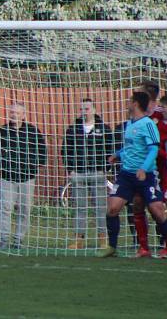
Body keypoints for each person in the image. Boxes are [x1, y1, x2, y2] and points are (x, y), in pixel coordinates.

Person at [99, 92, 167, 258]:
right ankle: (113, 247)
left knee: (157, 211)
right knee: (113, 208)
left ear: (136, 104)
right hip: (126, 175)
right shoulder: (129, 124)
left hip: (146, 175)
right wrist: (118, 154)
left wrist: (144, 169)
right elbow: (132, 148)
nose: (127, 103)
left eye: (130, 101)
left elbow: (153, 149)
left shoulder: (148, 124)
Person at [0, 102, 46, 250]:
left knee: (25, 209)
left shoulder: (33, 132)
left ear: (24, 115)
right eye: (12, 112)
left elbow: (42, 154)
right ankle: (4, 240)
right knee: (5, 208)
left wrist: (31, 166)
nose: (14, 115)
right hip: (7, 178)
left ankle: (19, 239)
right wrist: (3, 166)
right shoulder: (1, 132)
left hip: (27, 177)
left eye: (18, 113)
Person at [62, 98, 115, 250]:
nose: (84, 111)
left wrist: (105, 169)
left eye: (87, 108)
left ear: (94, 110)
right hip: (78, 173)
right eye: (82, 109)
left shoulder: (103, 129)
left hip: (97, 173)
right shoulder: (73, 129)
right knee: (80, 207)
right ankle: (79, 239)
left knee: (100, 207)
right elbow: (65, 150)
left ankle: (103, 239)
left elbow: (110, 150)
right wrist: (70, 169)